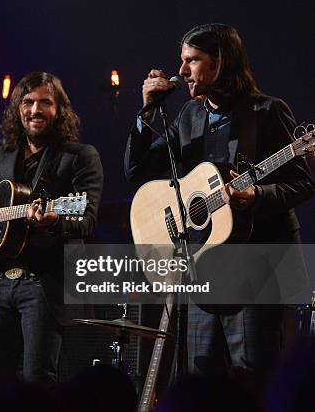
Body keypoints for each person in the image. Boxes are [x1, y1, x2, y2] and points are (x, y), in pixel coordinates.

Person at [125, 24, 314, 384]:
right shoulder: (188, 117)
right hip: (201, 269)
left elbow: (303, 182)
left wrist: (256, 195)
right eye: (182, 61)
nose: (181, 72)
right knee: (199, 380)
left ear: (221, 63)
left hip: (255, 272)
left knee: (252, 379)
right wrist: (146, 113)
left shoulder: (267, 112)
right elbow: (137, 171)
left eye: (192, 61)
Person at [0, 71, 103, 384]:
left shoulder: (79, 157)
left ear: (60, 110)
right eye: (27, 102)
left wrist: (55, 219)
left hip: (44, 284)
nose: (35, 110)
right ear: (17, 109)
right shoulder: (3, 153)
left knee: (37, 381)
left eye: (45, 102)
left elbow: (86, 216)